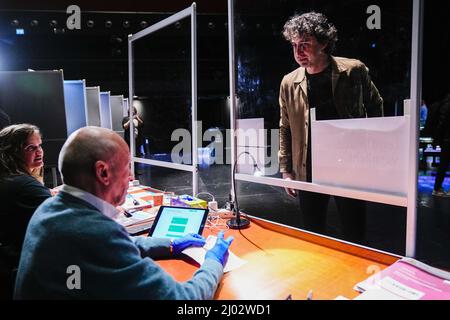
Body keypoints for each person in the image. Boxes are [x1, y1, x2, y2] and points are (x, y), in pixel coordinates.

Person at [14, 126, 233, 299]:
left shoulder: (50, 209)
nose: (130, 177)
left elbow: (123, 244)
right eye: (127, 166)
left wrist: (172, 244)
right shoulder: (93, 232)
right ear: (103, 172)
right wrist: (213, 261)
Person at [279, 12, 383, 243]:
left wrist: (372, 150)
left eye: (305, 45)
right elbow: (285, 126)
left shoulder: (354, 70)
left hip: (348, 166)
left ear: (324, 42)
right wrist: (286, 170)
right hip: (309, 168)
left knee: (355, 232)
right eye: (294, 45)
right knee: (313, 231)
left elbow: (376, 106)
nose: (298, 53)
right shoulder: (289, 82)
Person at [0, 124, 52, 299]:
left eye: (39, 145)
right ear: (11, 152)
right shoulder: (23, 184)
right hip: (21, 268)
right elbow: (63, 214)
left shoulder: (8, 177)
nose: (39, 152)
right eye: (31, 148)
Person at [432, 94, 450, 197]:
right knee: (443, 165)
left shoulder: (445, 104)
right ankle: (437, 188)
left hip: (446, 139)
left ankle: (437, 188)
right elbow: (442, 123)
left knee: (443, 165)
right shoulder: (447, 105)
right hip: (447, 139)